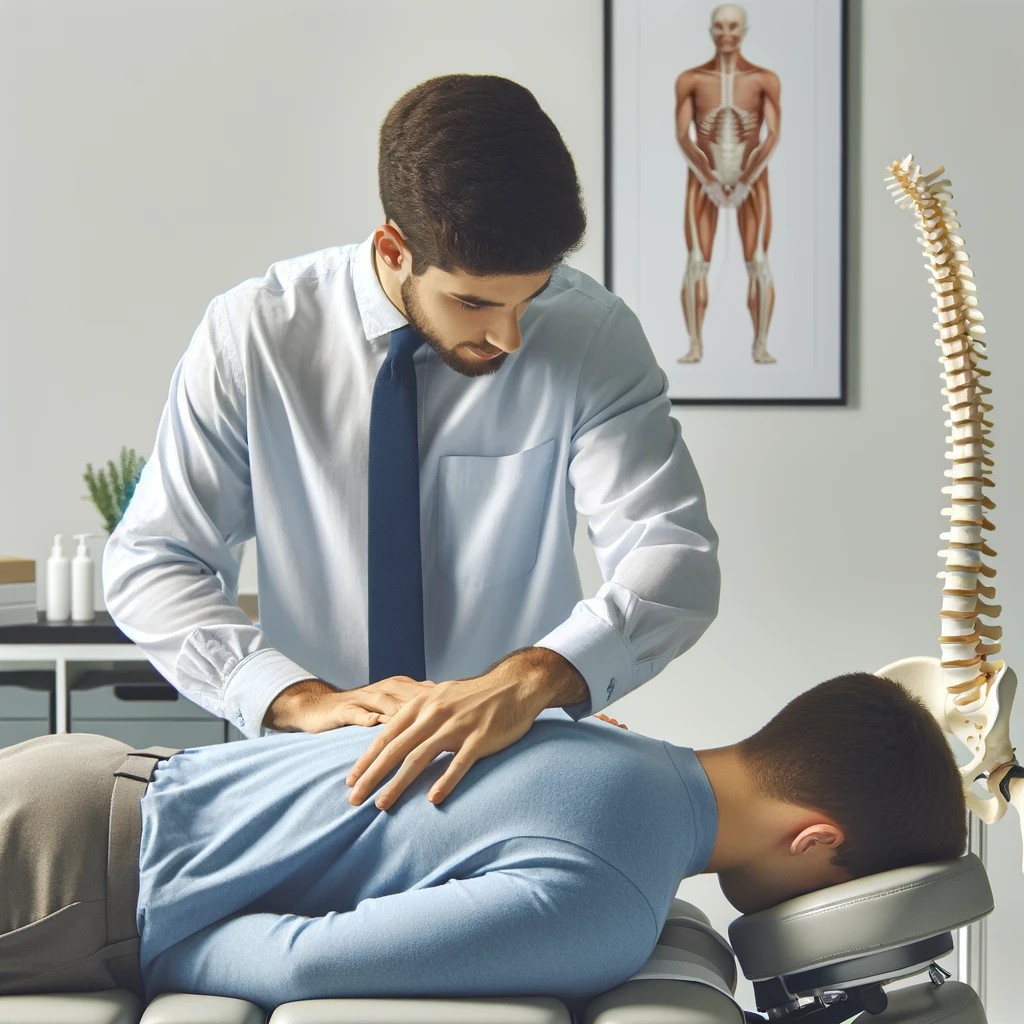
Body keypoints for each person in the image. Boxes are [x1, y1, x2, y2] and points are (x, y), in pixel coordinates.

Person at [101, 73, 721, 811]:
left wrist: (530, 680)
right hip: (306, 777)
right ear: (394, 249)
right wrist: (293, 697)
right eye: (474, 302)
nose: (510, 336)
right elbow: (156, 560)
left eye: (533, 295)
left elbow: (671, 551)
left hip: (520, 772)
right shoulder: (253, 337)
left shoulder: (593, 335)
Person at [0, 673, 966, 1011]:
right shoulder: (609, 903)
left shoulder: (574, 728)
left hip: (82, 773)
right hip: (63, 883)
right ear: (816, 840)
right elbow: (296, 966)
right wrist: (151, 940)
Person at [675, 3, 781, 364]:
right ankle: (695, 345)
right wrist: (709, 180)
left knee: (760, 263)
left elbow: (771, 136)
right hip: (704, 178)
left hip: (752, 178)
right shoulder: (691, 80)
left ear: (743, 31)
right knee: (696, 263)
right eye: (720, 27)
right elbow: (684, 135)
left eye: (733, 27)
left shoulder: (764, 80)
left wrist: (747, 181)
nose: (726, 34)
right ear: (711, 31)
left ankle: (761, 344)